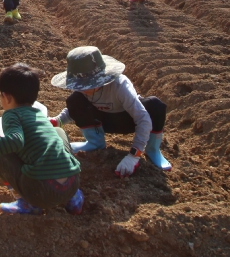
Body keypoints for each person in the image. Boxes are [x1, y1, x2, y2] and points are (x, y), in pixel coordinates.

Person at [0, 63, 83, 215]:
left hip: (41, 193)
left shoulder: (11, 115)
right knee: (58, 131)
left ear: (7, 97)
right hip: (71, 185)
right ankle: (73, 198)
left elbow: (15, 141)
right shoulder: (39, 114)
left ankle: (27, 203)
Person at [50, 46, 171, 175]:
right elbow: (75, 108)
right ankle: (95, 143)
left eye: (87, 84)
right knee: (74, 99)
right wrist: (57, 121)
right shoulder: (82, 90)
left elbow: (143, 119)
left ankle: (152, 150)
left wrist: (134, 155)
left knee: (155, 106)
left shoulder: (120, 86)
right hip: (102, 122)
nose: (83, 89)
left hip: (127, 120)